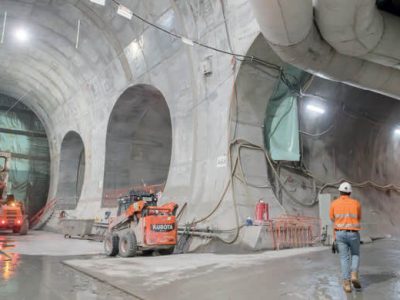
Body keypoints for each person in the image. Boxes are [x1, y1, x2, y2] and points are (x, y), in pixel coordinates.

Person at [329, 182, 362, 293]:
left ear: (340, 192)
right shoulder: (356, 203)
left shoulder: (334, 203)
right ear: (350, 192)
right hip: (353, 233)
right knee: (355, 254)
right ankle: (354, 275)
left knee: (344, 258)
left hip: (340, 233)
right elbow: (359, 217)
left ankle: (347, 284)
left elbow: (332, 218)